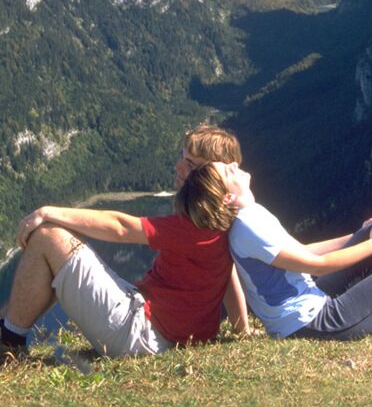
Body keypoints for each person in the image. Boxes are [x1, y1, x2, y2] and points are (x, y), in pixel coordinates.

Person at [0, 125, 250, 360]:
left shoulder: (191, 228)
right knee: (61, 259)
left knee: (48, 237)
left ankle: (8, 344)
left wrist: (48, 212)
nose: (178, 167)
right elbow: (227, 276)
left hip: (140, 335)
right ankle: (7, 330)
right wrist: (243, 331)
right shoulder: (220, 223)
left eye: (190, 164)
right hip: (162, 331)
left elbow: (121, 228)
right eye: (181, 158)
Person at [177, 162, 372, 340]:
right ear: (228, 198)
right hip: (315, 324)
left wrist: (361, 235)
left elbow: (300, 252)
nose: (234, 164)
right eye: (227, 170)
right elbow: (316, 265)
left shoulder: (247, 219)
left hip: (307, 313)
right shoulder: (249, 225)